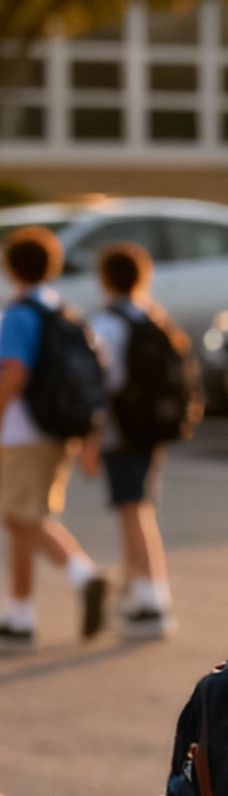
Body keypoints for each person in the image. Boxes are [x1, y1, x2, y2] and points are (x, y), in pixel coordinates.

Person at [0, 226, 108, 654]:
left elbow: (14, 372)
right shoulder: (64, 312)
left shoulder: (19, 314)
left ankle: (83, 576)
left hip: (23, 432)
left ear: (10, 266)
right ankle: (19, 617)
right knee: (19, 518)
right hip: (57, 428)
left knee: (21, 517)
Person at [88, 241, 178, 640]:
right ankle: (141, 593)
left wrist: (89, 438)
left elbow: (104, 384)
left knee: (132, 510)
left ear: (105, 278)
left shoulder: (108, 323)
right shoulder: (151, 317)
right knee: (140, 507)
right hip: (150, 428)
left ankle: (150, 601)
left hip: (121, 431)